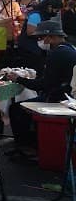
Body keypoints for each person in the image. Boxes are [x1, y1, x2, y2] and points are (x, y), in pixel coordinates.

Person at [8, 21, 76, 150]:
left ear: (51, 37)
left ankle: (27, 145)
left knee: (16, 109)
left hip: (58, 99)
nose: (40, 42)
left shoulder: (57, 54)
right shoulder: (70, 49)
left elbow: (43, 85)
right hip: (66, 95)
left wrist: (20, 79)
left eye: (41, 38)